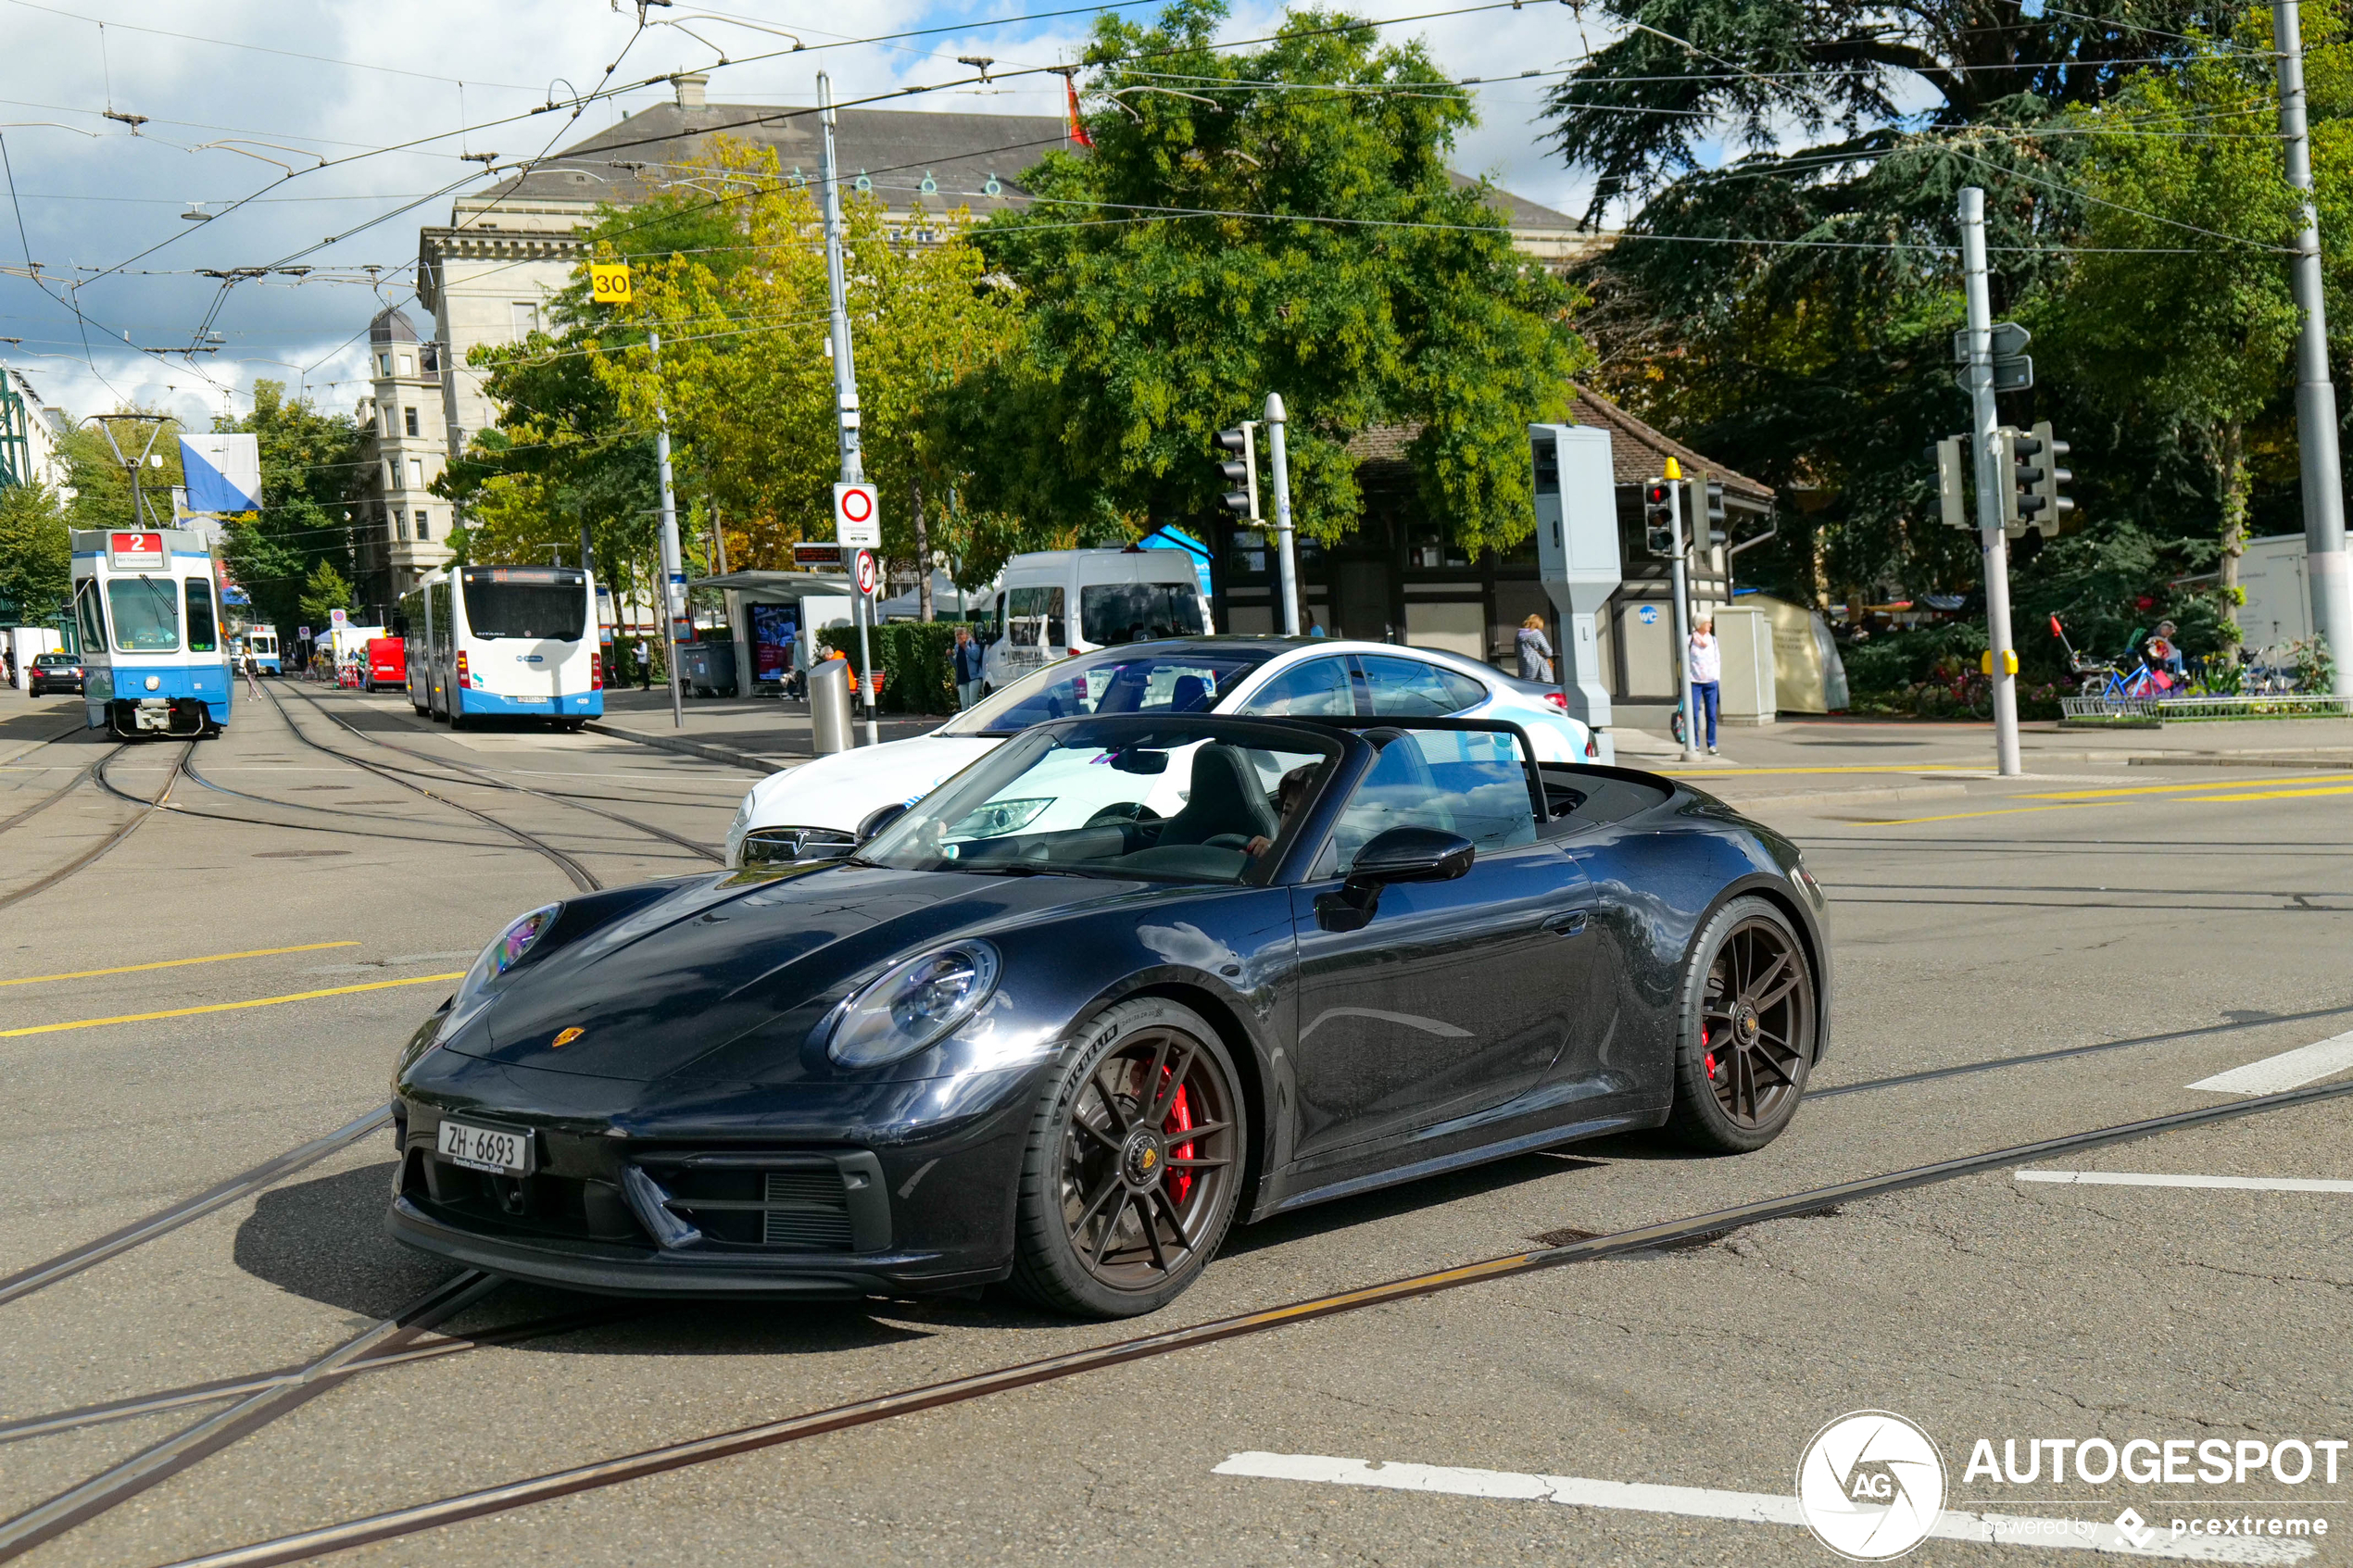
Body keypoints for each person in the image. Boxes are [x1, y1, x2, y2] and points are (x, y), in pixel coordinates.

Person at [1688, 616, 1722, 755]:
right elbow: (1683, 661)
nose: (1710, 624)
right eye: (1707, 622)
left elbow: (1717, 659)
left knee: (1711, 715)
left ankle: (1712, 745)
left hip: (1711, 682)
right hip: (1694, 682)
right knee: (1694, 714)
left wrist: (1717, 678)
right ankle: (1694, 743)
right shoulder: (1689, 640)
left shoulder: (1713, 640)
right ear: (1700, 624)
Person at [951, 624, 986, 710]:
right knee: (964, 704)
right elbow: (957, 664)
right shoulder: (957, 647)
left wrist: (965, 647)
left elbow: (975, 656)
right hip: (962, 679)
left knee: (973, 702)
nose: (959, 636)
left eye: (961, 634)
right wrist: (950, 657)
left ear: (966, 635)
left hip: (974, 677)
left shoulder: (972, 643)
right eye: (957, 635)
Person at [1516, 614, 1554, 683]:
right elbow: (1548, 652)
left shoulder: (1518, 636)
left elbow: (1517, 652)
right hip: (1539, 670)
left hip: (1525, 670)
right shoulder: (1537, 634)